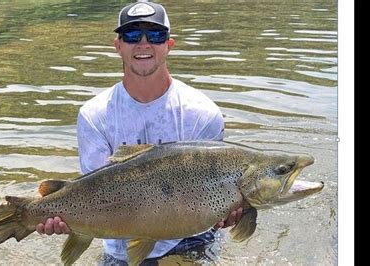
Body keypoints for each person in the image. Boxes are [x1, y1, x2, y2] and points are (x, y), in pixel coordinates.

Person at [36, 0, 243, 264]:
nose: (143, 44)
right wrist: (63, 216)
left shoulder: (202, 113)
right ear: (118, 46)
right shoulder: (94, 115)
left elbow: (213, 193)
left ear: (169, 45)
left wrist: (228, 211)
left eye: (155, 35)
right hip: (121, 247)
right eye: (132, 35)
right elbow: (92, 194)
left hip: (191, 240)